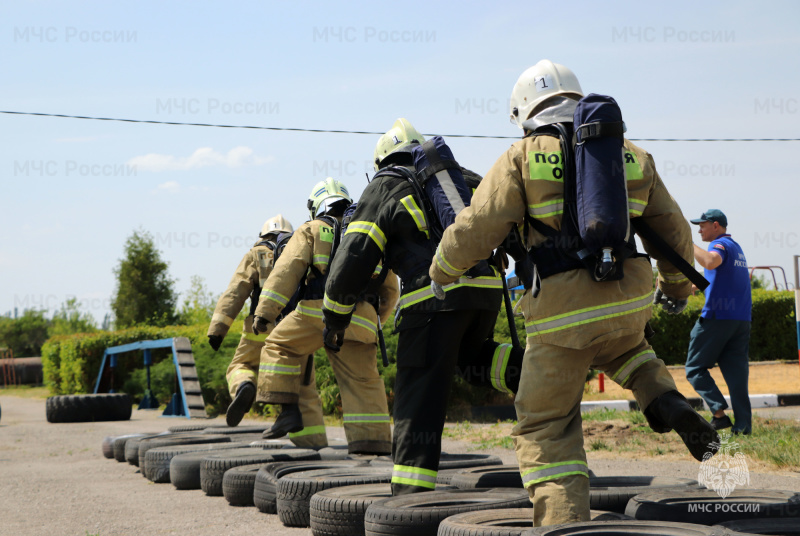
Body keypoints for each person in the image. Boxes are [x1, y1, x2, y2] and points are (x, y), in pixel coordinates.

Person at [428, 60, 718, 526]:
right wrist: (677, 288)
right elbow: (674, 232)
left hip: (561, 314)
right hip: (627, 300)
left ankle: (565, 526)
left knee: (547, 427)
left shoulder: (521, 156)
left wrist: (441, 272)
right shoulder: (630, 154)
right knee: (628, 349)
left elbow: (476, 228)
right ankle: (667, 398)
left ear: (525, 109)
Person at [322, 119, 524, 496]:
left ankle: (410, 498)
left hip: (430, 299)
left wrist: (335, 318)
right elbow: (511, 223)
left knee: (420, 395)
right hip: (485, 293)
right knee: (470, 357)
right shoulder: (463, 178)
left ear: (382, 160)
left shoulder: (384, 186)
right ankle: (528, 372)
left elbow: (355, 256)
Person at [252, 177, 398, 455]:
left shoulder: (312, 228)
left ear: (316, 205)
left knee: (278, 346)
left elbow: (288, 270)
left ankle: (288, 413)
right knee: (363, 381)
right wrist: (371, 321)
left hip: (318, 310)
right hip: (364, 316)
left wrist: (264, 312)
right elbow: (390, 288)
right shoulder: (370, 230)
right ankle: (373, 442)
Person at [206, 215, 331, 447]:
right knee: (304, 389)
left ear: (263, 235)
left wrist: (218, 329)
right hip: (295, 327)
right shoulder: (300, 245)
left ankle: (245, 384)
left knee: (240, 365)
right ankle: (313, 444)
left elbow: (235, 291)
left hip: (259, 327)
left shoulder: (256, 254)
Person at [687, 209, 752, 435]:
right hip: (741, 320)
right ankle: (743, 427)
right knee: (736, 377)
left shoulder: (719, 245)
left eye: (702, 225)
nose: (698, 230)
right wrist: (691, 287)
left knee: (694, 368)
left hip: (717, 317)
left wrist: (687, 243)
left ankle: (719, 415)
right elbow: (715, 279)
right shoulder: (737, 248)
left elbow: (711, 261)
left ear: (716, 225)